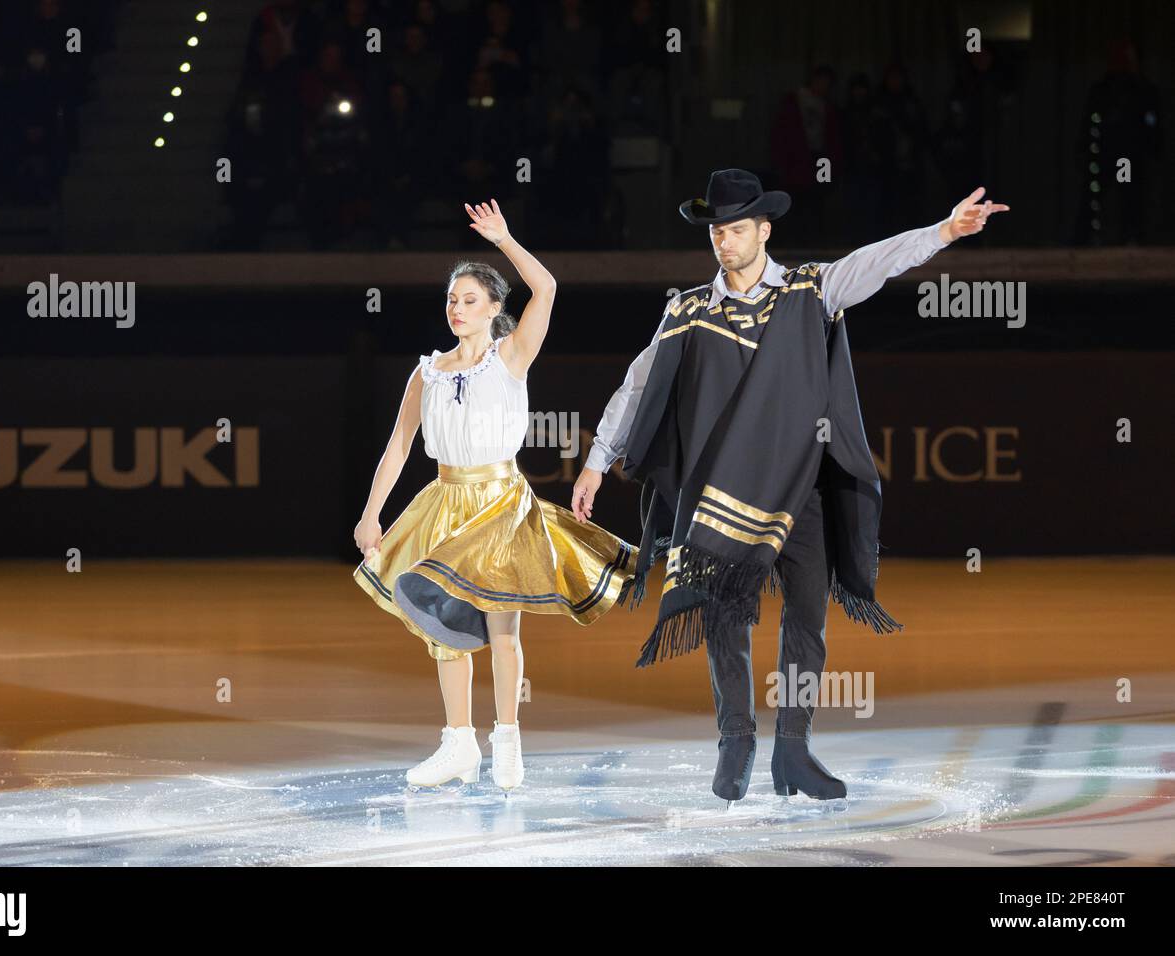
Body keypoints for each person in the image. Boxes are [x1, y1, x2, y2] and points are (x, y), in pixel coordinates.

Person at [571, 169, 1008, 804]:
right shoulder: (689, 309)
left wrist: (942, 232)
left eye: (738, 229)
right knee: (725, 613)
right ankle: (736, 740)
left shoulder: (810, 290)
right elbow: (640, 384)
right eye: (717, 231)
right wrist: (596, 459)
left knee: (807, 617)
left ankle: (794, 749)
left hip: (798, 489)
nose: (725, 241)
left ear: (764, 230)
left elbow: (874, 263)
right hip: (718, 493)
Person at [353, 199, 639, 791]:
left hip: (501, 503)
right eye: (451, 300)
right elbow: (399, 446)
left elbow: (549, 286)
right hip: (444, 499)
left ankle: (506, 738)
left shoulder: (511, 356)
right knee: (441, 625)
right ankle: (458, 743)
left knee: (503, 631)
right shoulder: (426, 371)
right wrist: (371, 513)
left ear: (493, 308)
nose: (457, 309)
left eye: (469, 300)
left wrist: (505, 239)